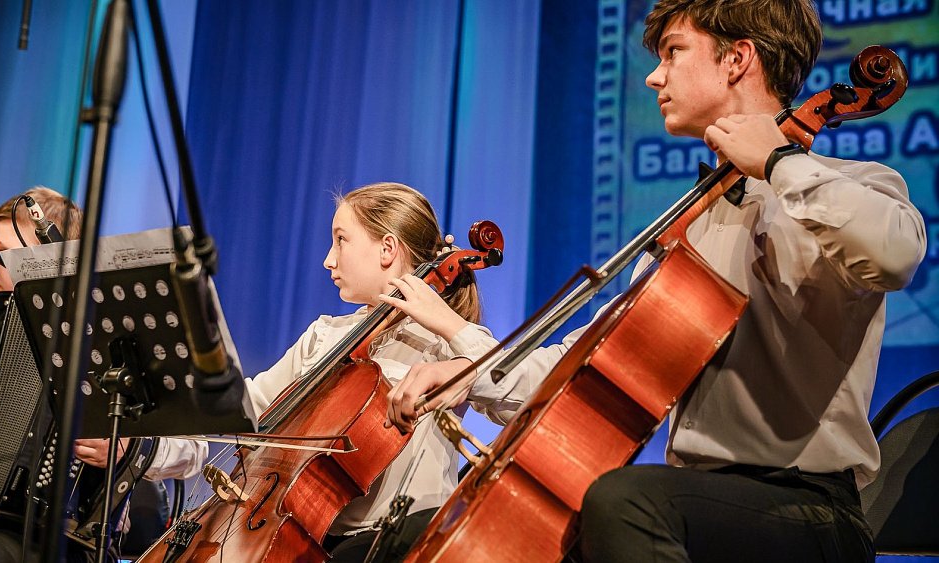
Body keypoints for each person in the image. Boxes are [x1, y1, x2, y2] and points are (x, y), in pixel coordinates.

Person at [386, 1, 927, 561]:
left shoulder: (851, 183)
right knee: (463, 537)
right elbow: (590, 369)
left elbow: (895, 253)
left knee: (624, 503)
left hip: (808, 514)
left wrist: (779, 162)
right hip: (694, 505)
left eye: (674, 51)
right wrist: (469, 370)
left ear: (737, 59)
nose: (653, 75)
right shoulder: (688, 230)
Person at [0, 186, 208, 562]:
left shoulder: (118, 328)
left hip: (69, 538)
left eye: (1, 252)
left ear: (47, 254)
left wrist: (124, 449)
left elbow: (196, 449)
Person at [238, 182, 493, 562]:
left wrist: (455, 347)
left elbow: (504, 373)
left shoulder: (443, 341)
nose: (329, 259)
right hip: (307, 530)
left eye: (341, 240)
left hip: (399, 539)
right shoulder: (325, 336)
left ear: (387, 249)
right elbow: (249, 408)